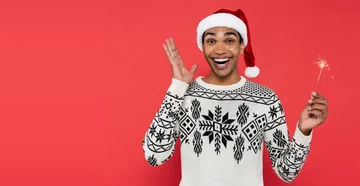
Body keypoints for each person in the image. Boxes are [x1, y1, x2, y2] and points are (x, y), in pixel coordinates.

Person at [141, 9, 329, 186]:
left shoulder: (265, 99)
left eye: (229, 40)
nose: (220, 49)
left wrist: (303, 131)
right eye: (211, 41)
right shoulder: (183, 94)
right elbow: (154, 156)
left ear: (241, 47)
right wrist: (177, 87)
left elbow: (286, 171)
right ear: (202, 46)